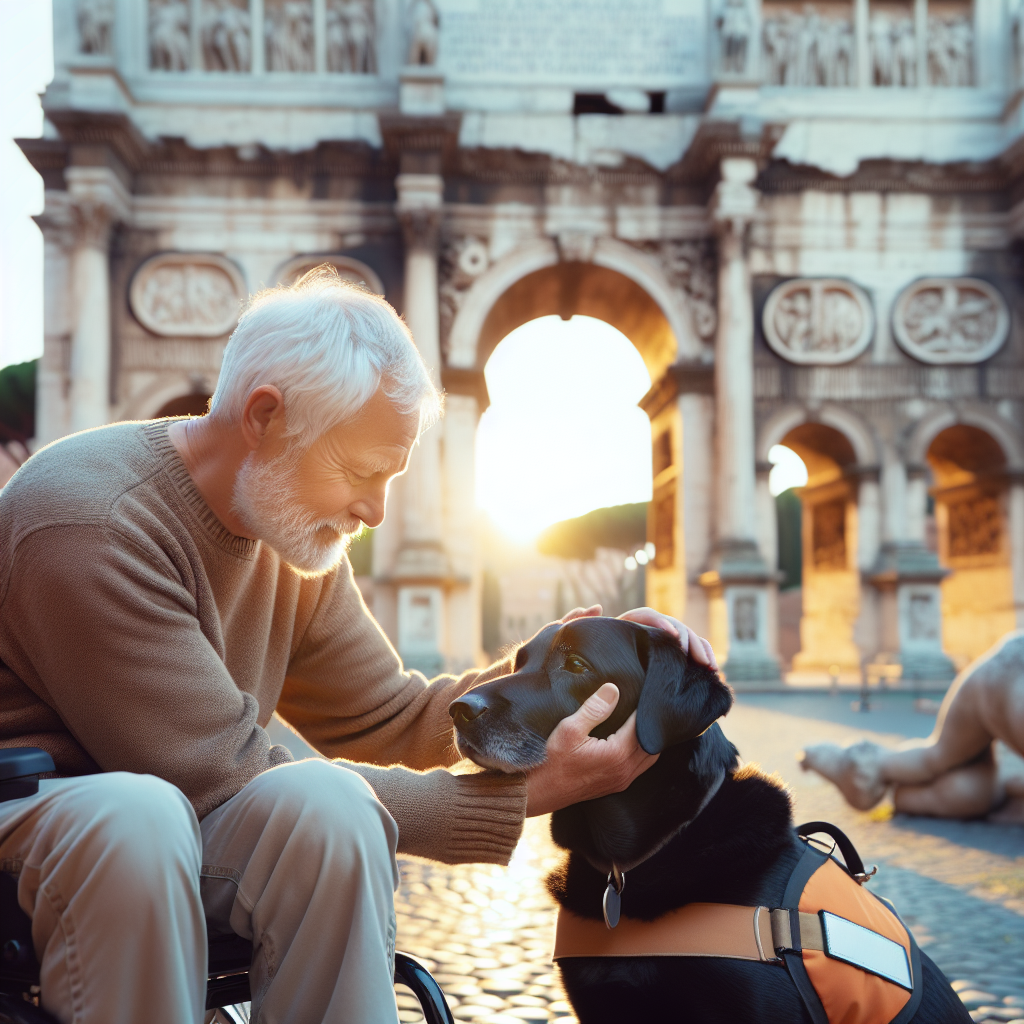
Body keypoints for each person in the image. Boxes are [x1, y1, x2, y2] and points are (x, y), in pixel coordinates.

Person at [0, 268, 717, 1024]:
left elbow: (394, 714)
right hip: (36, 808)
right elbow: (222, 775)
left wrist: (568, 663)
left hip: (185, 807)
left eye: (391, 478)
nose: (375, 512)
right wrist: (526, 795)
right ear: (266, 416)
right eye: (361, 472)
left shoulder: (289, 531)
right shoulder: (88, 522)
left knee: (326, 802)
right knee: (139, 818)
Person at [800, 630, 1024, 822]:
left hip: (1002, 680)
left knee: (969, 789)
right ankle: (875, 765)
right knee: (938, 758)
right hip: (1000, 677)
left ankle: (882, 774)